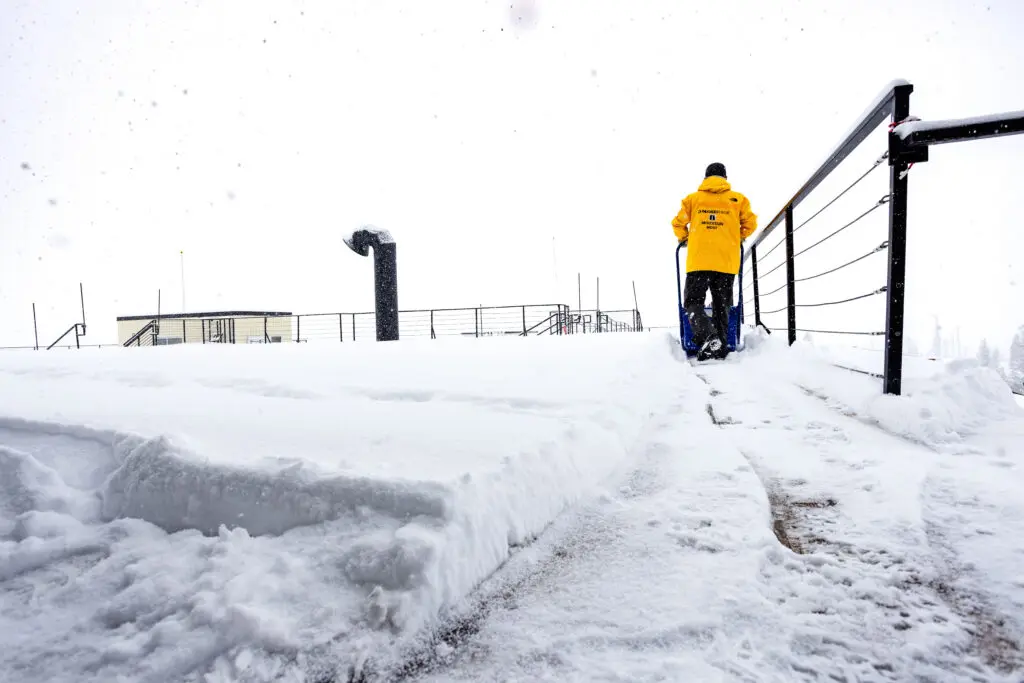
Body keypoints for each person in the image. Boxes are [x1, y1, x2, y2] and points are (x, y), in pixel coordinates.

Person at [672, 162, 757, 360]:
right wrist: (737, 237)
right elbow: (751, 224)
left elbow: (678, 223)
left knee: (693, 302)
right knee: (722, 304)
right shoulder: (738, 199)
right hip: (726, 261)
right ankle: (720, 344)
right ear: (725, 178)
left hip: (698, 261)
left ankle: (707, 337)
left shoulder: (693, 199)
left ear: (705, 178)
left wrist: (685, 239)